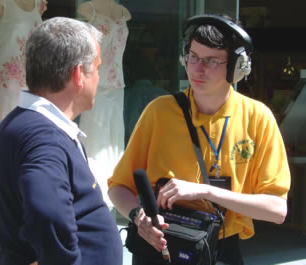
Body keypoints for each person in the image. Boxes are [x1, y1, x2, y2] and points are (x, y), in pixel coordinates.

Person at [108, 14, 291, 265]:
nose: (197, 68)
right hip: (159, 245)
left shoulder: (258, 118)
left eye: (211, 61)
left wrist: (206, 191)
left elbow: (277, 210)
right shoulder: (158, 111)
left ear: (237, 67)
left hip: (221, 248)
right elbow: (118, 187)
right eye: (193, 57)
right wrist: (138, 215)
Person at [0, 17, 123, 265]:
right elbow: (46, 212)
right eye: (97, 68)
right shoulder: (45, 138)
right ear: (78, 74)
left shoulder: (26, 124)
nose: (99, 79)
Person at [76, 0, 131, 207]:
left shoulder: (124, 13)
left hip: (117, 86)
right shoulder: (88, 9)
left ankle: (111, 194)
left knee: (112, 140)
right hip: (97, 85)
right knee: (94, 140)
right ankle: (93, 195)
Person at [0, 0, 47, 136]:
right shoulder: (1, 3)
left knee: (29, 137)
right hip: (6, 84)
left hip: (33, 84)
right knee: (5, 135)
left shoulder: (38, 4)